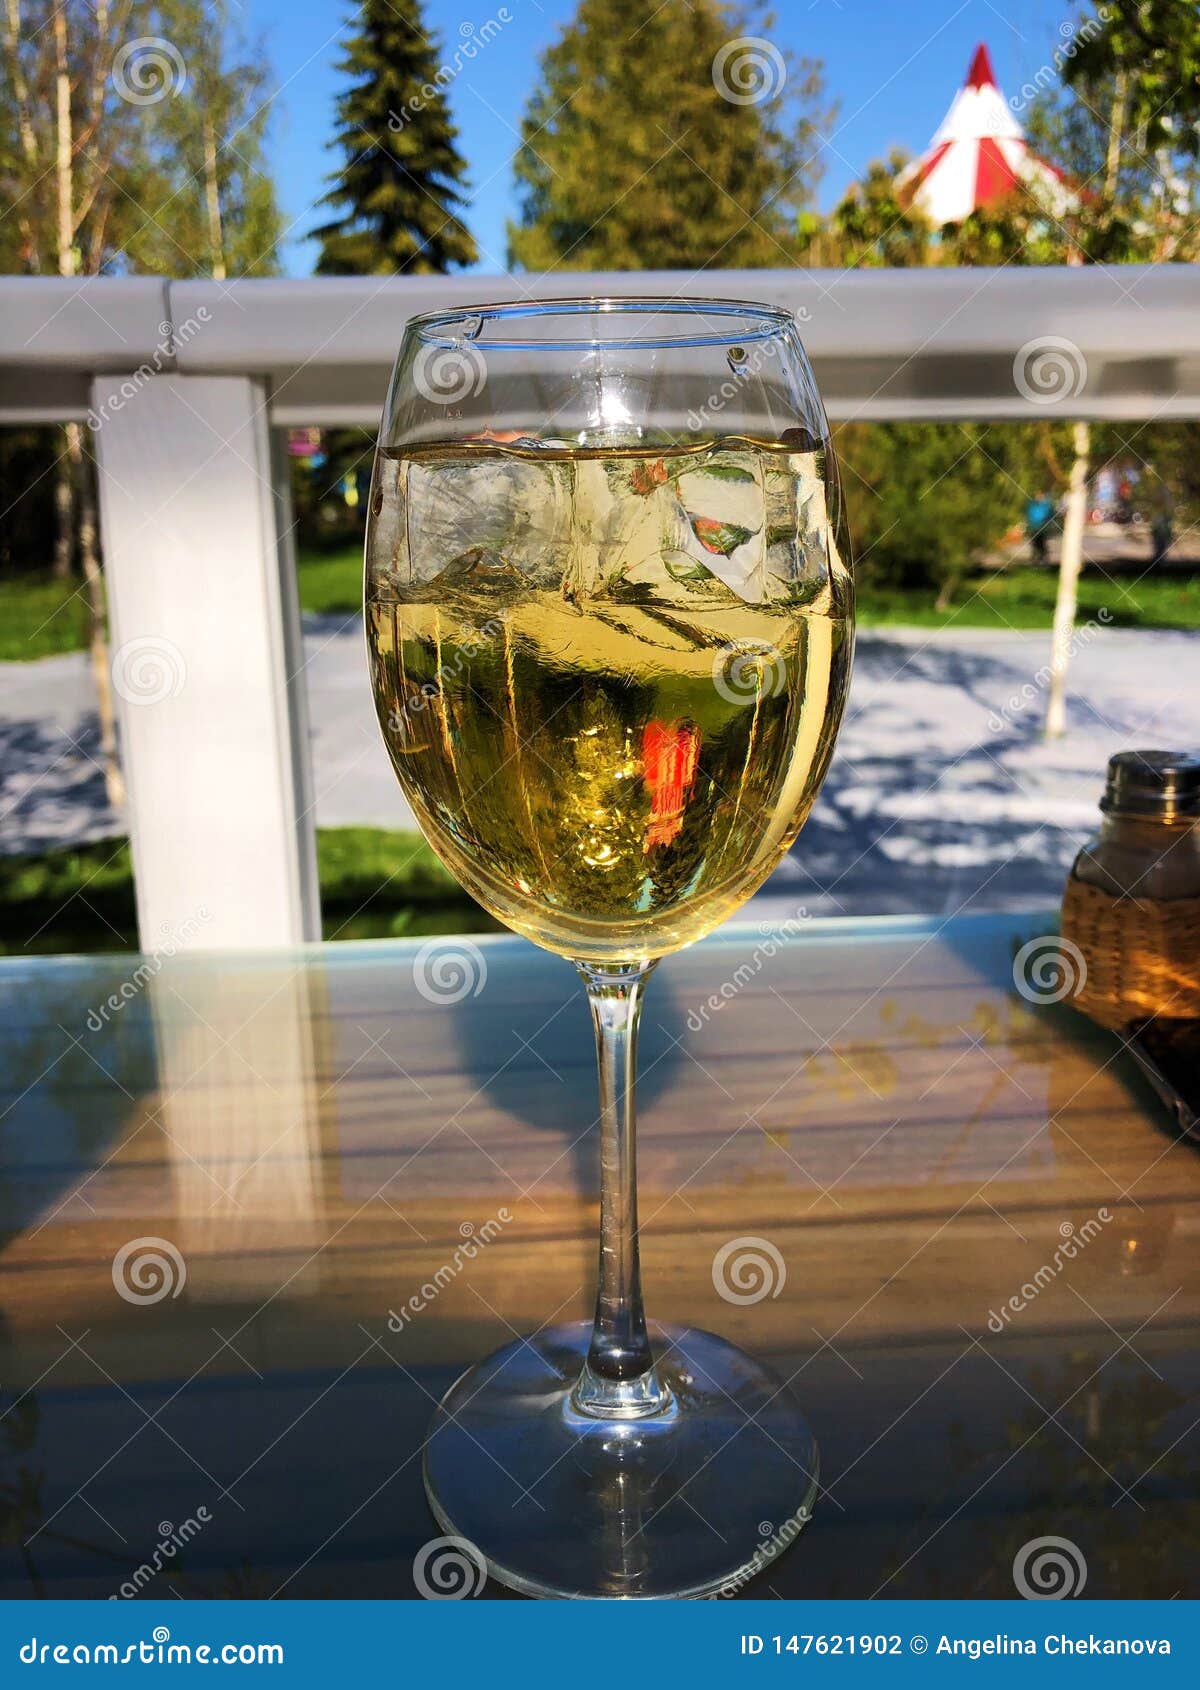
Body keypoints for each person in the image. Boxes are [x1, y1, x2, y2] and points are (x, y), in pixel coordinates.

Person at [1025, 491, 1055, 564]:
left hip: (1043, 529)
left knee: (1042, 544)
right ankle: (1035, 558)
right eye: (1037, 495)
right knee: (1035, 544)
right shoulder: (1032, 505)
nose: (1039, 497)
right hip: (1034, 528)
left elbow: (1050, 515)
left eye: (1040, 496)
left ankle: (1043, 558)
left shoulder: (1046, 506)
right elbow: (1029, 515)